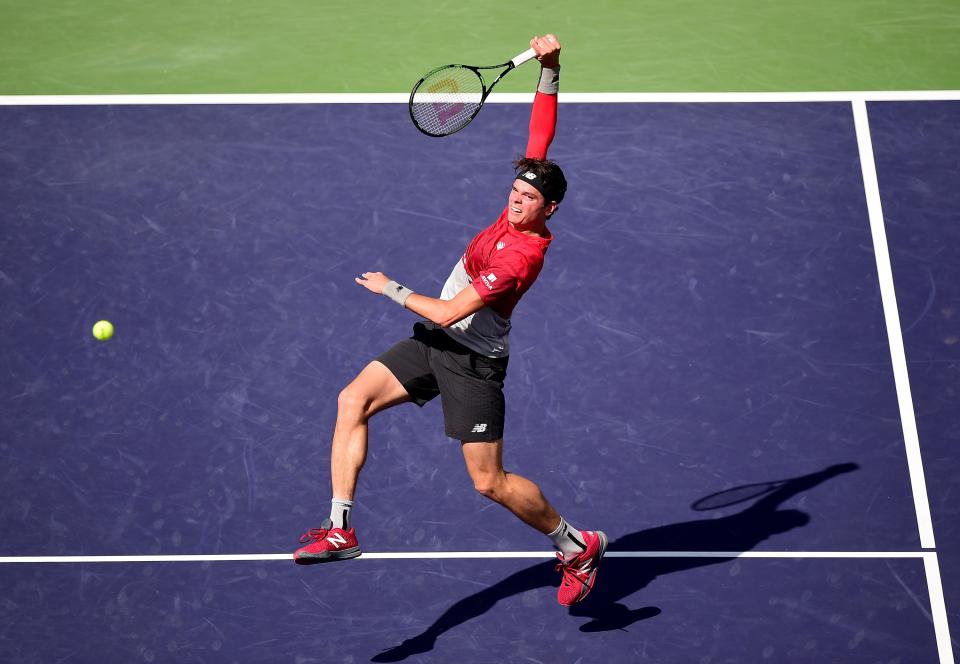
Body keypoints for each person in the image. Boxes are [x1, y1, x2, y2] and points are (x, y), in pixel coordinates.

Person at [293, 34, 606, 607]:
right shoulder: (517, 209)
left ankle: (575, 543)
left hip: (472, 362)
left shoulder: (520, 258)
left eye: (527, 198)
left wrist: (393, 289)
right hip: (436, 341)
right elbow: (543, 130)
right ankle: (340, 527)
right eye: (514, 190)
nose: (515, 201)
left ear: (549, 209)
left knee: (489, 483)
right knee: (351, 401)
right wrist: (553, 68)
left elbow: (449, 310)